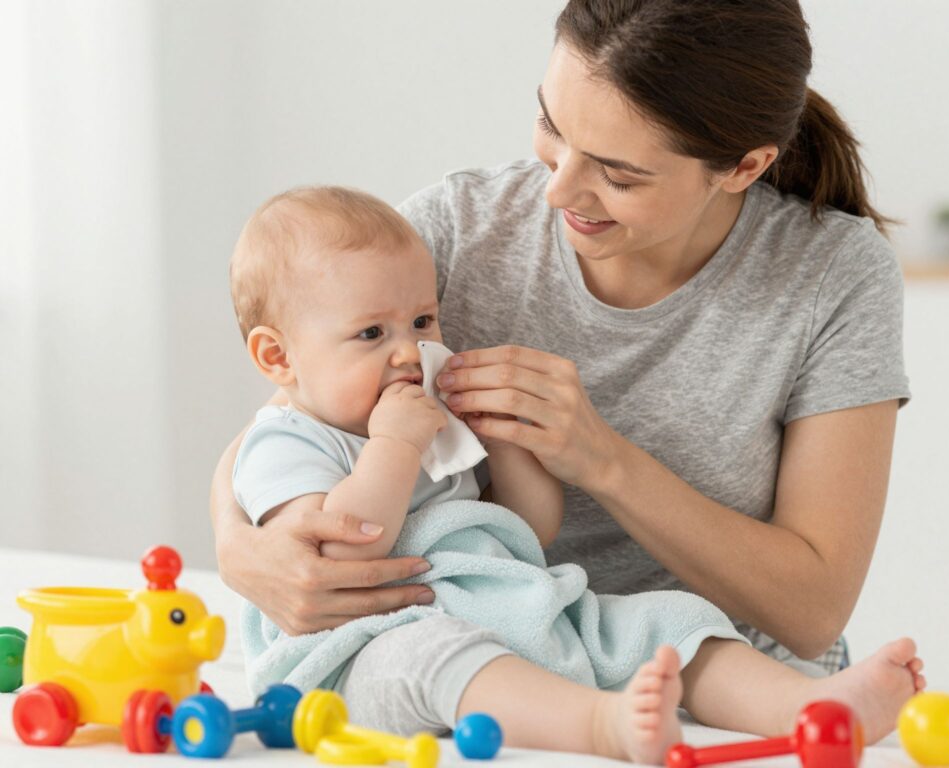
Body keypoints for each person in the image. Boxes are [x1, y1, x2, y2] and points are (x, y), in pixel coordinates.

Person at [213, 0, 910, 729]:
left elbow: (813, 612)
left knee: (671, 623)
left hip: (673, 655)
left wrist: (597, 456)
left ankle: (810, 710)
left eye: (618, 173)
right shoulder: (456, 228)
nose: (556, 191)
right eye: (551, 124)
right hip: (465, 650)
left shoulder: (830, 273)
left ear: (743, 166)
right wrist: (238, 549)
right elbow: (289, 416)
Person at [226, 185, 923, 763]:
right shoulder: (286, 445)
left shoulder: (423, 421)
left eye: (423, 320)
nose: (411, 352)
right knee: (438, 655)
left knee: (667, 619)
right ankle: (600, 725)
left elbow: (528, 531)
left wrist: (508, 448)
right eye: (372, 335)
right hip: (362, 655)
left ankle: (808, 706)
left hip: (516, 608)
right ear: (277, 358)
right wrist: (394, 446)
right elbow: (352, 544)